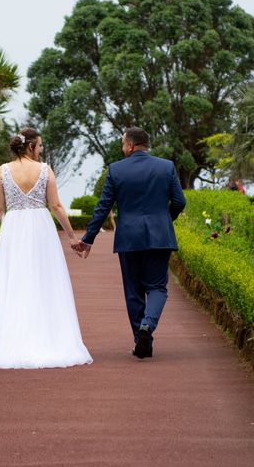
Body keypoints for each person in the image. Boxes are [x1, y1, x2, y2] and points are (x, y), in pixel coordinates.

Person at [0, 127, 92, 369]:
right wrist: (71, 236)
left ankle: (11, 341)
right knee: (45, 280)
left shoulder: (2, 172)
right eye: (39, 146)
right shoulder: (45, 170)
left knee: (14, 281)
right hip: (41, 228)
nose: (40, 150)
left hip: (13, 227)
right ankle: (49, 339)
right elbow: (56, 205)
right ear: (30, 147)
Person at [74, 127, 186, 359]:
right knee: (156, 287)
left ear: (131, 146)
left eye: (123, 143)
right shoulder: (166, 166)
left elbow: (103, 207)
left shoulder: (116, 170)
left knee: (133, 291)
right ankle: (148, 325)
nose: (122, 147)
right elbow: (179, 201)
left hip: (129, 238)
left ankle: (140, 340)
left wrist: (88, 239)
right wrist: (165, 220)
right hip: (160, 237)